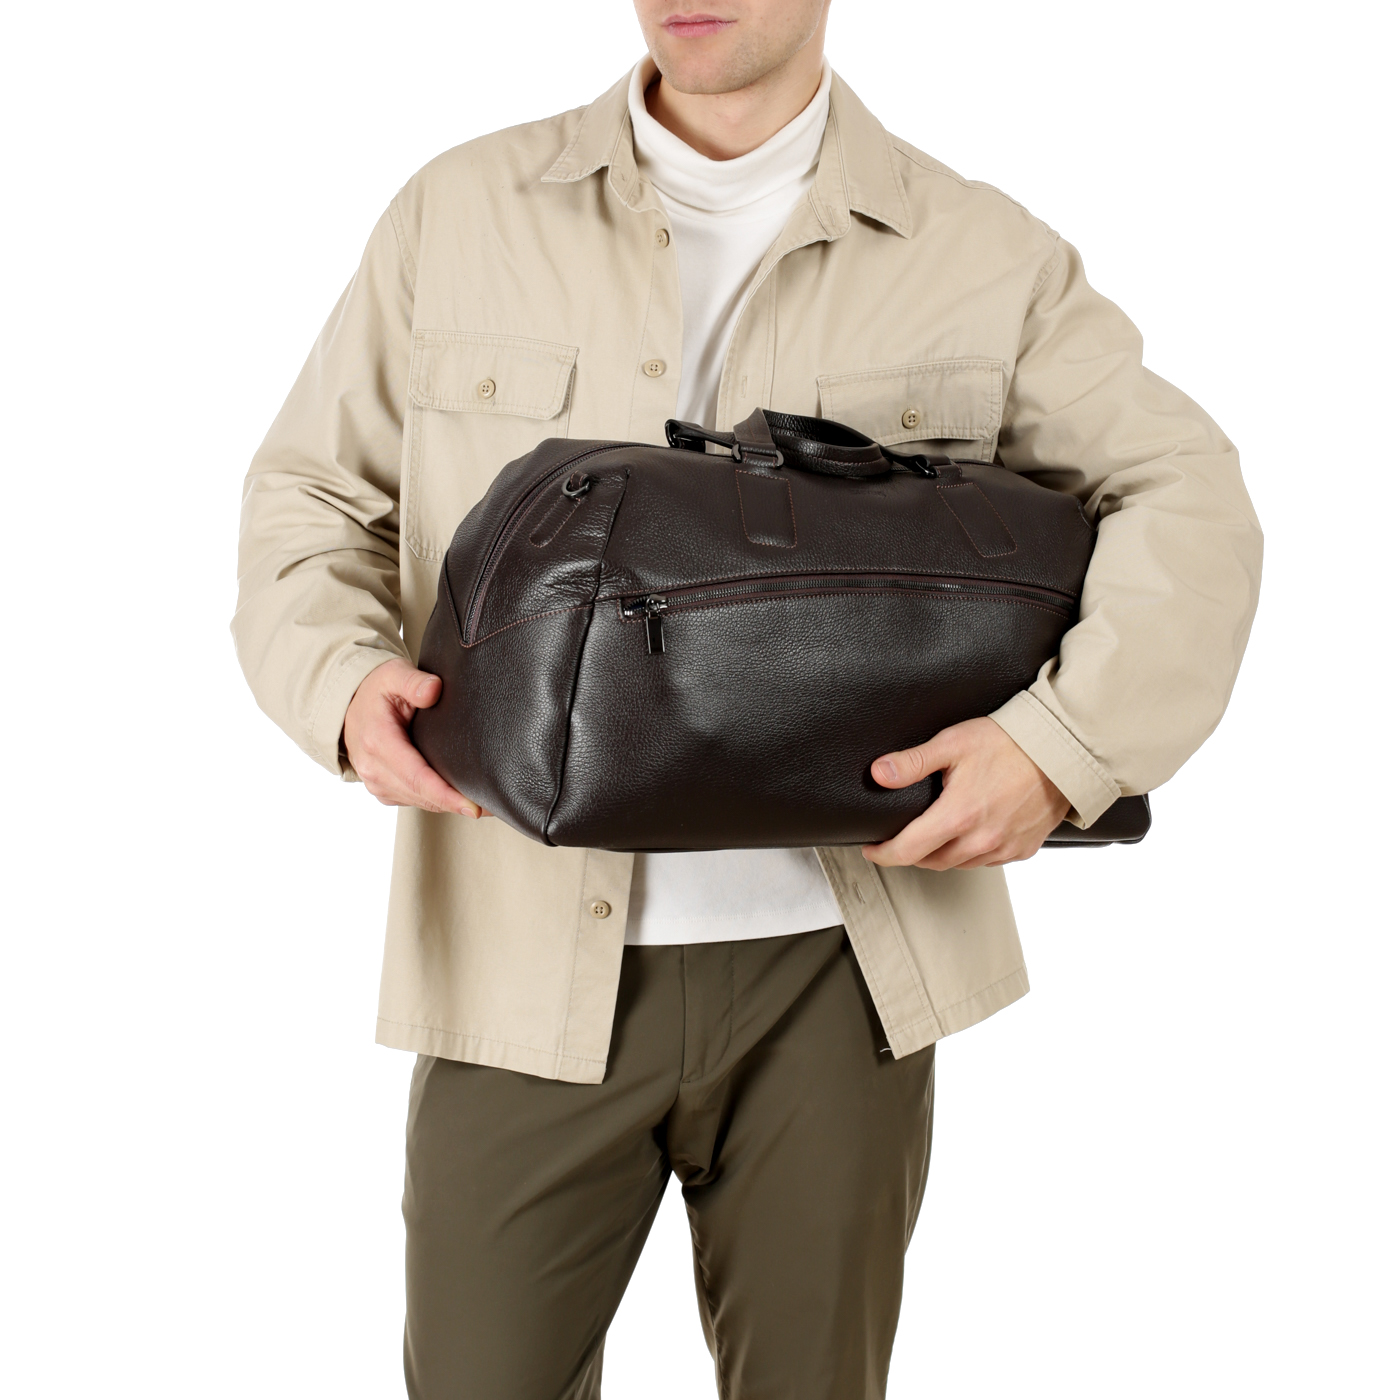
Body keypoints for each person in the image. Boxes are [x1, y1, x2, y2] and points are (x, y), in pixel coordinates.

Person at [233, 2, 1262, 1395]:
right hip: (516, 955)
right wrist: (343, 680)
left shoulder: (980, 251)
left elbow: (1184, 492)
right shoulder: (459, 213)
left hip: (842, 974)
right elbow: (311, 495)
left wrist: (1062, 746)